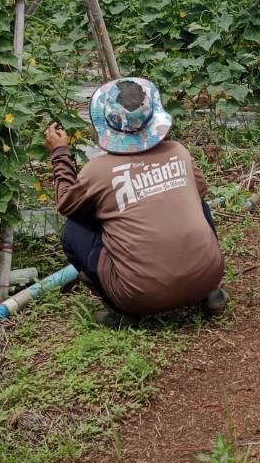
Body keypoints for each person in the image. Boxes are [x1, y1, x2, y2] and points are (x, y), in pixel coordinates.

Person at [45, 77, 227, 328]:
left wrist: (59, 153)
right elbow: (199, 194)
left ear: (106, 123)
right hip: (208, 275)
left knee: (75, 228)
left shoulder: (98, 171)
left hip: (142, 296)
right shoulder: (178, 152)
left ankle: (121, 309)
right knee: (197, 200)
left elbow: (66, 204)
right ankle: (210, 293)